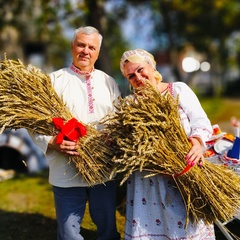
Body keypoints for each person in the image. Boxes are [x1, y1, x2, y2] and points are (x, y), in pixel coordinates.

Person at [29, 26, 121, 240]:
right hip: (66, 169)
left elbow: (119, 120)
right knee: (69, 233)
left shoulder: (108, 82)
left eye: (91, 47)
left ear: (98, 52)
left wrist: (114, 138)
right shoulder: (53, 81)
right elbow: (33, 123)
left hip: (102, 169)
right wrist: (52, 141)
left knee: (107, 230)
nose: (85, 51)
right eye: (81, 45)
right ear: (72, 47)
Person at [119, 49, 215, 239]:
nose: (138, 77)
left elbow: (201, 122)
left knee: (189, 227)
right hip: (148, 181)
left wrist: (196, 144)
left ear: (151, 66)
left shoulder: (178, 90)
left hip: (185, 170)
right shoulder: (130, 104)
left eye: (140, 70)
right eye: (131, 76)